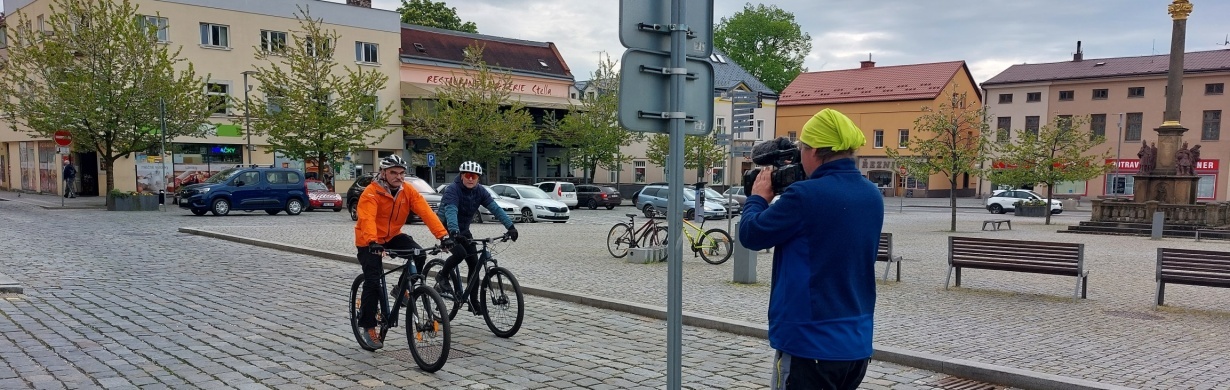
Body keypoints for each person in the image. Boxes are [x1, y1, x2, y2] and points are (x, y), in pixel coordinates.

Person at [738, 108, 884, 390]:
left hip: (810, 344)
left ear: (814, 150)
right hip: (856, 343)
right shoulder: (871, 194)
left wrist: (758, 198)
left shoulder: (804, 196)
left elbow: (751, 234)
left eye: (802, 148)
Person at [353, 154, 453, 350]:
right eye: (393, 173)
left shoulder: (408, 191)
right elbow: (367, 219)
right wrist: (373, 241)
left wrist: (442, 236)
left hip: (392, 236)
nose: (398, 177)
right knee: (373, 282)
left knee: (419, 254)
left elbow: (426, 212)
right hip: (368, 240)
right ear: (383, 173)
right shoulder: (371, 193)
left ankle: (401, 289)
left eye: (401, 173)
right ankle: (368, 325)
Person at [437, 161, 518, 315]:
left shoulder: (480, 191)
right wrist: (453, 232)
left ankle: (473, 302)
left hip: (464, 231)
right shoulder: (452, 190)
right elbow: (451, 211)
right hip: (446, 229)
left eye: (474, 176)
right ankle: (442, 275)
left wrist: (510, 227)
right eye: (467, 175)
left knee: (475, 264)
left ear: (478, 179)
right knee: (460, 253)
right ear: (462, 176)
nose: (470, 179)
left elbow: (495, 208)